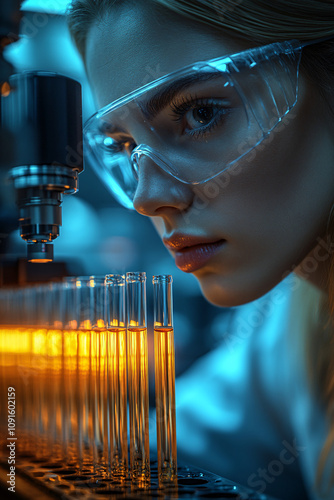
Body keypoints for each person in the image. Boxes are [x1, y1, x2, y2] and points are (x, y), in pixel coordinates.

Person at [66, 1, 334, 498]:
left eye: (200, 113)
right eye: (126, 146)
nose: (147, 199)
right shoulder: (298, 317)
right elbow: (167, 448)